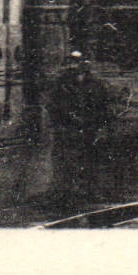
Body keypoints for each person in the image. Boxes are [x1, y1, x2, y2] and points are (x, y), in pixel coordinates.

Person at [46, 51, 113, 202]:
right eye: (70, 63)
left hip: (89, 127)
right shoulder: (61, 84)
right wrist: (61, 121)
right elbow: (52, 105)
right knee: (65, 160)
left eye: (77, 63)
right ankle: (65, 192)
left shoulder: (95, 84)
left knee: (90, 159)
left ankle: (90, 191)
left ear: (85, 65)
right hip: (68, 128)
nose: (73, 66)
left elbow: (103, 106)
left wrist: (101, 126)